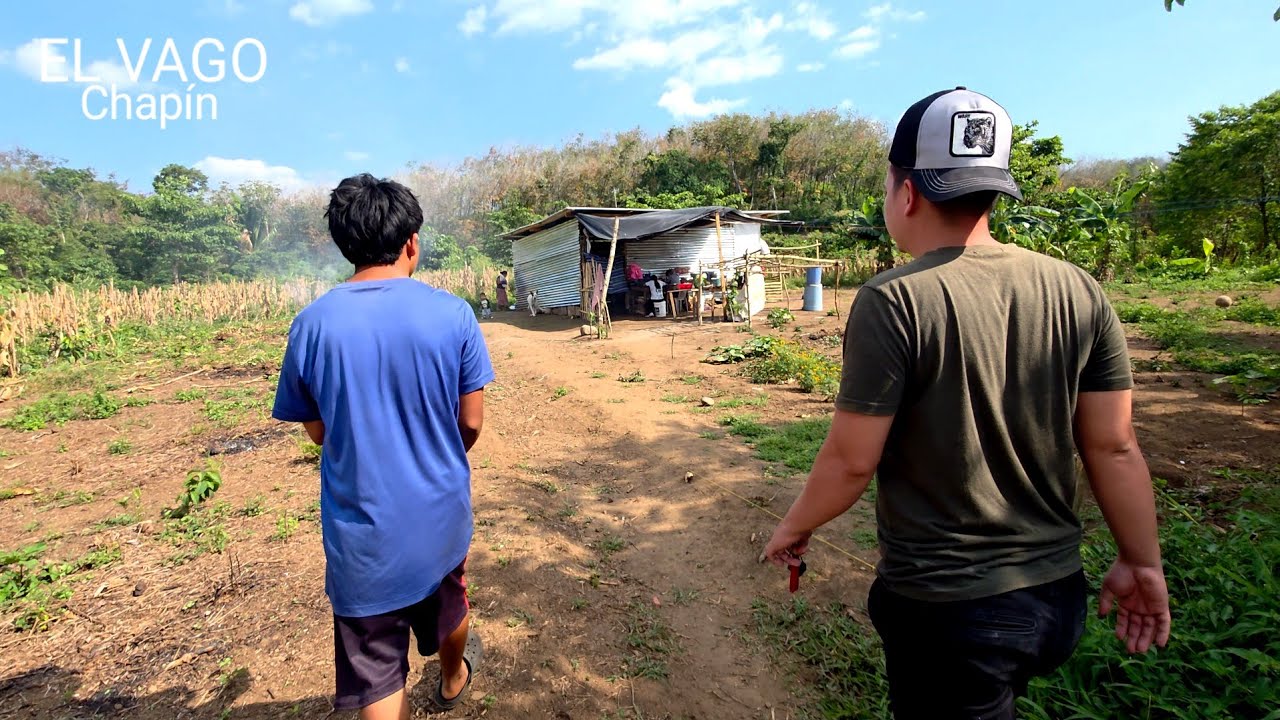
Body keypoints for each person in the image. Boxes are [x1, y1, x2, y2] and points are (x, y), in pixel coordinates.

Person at [762, 87, 1170, 719]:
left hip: (951, 612)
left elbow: (849, 461)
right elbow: (1114, 445)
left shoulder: (893, 299)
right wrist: (1142, 563)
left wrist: (794, 526)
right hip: (1056, 598)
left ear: (907, 191)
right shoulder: (1078, 289)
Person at [272, 173, 494, 719]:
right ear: (412, 240)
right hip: (440, 513)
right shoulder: (453, 314)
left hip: (362, 535)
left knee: (375, 668)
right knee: (450, 600)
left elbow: (319, 432)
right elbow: (471, 423)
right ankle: (450, 677)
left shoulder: (311, 325)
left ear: (343, 245)